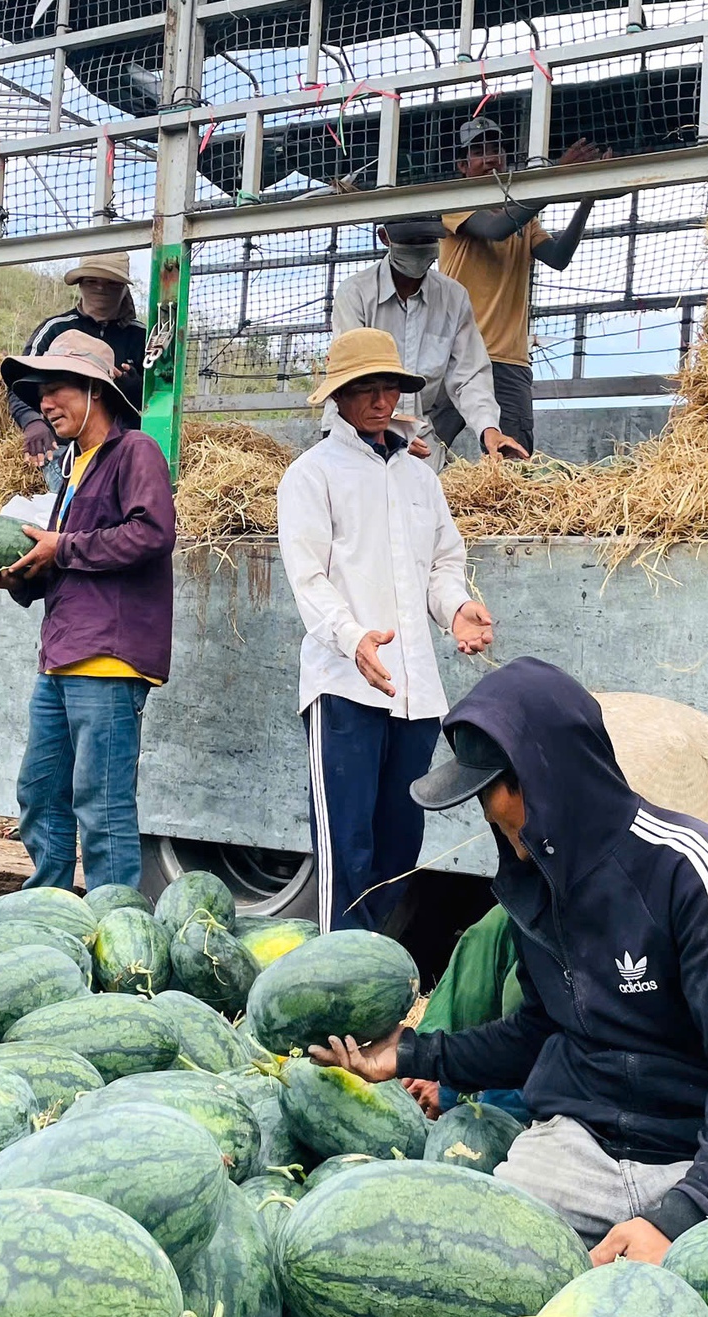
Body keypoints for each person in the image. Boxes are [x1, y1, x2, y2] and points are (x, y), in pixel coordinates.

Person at [311, 657, 708, 1265]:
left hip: (702, 1161)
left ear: (544, 779)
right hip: (577, 1151)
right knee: (467, 1269)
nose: (488, 817)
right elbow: (539, 1032)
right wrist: (410, 1053)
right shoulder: (538, 884)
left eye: (490, 794)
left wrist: (684, 1213)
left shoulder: (696, 874)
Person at [277, 327, 496, 933]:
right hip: (344, 686)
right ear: (338, 397)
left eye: (390, 388)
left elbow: (442, 563)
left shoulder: (419, 477)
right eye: (365, 388)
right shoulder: (311, 475)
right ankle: (337, 969)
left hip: (414, 690)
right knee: (347, 845)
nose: (380, 401)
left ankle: (365, 960)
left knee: (400, 846)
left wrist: (456, 608)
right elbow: (308, 579)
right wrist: (353, 637)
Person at [0, 330, 175, 892]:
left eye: (56, 388)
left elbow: (152, 534)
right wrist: (14, 578)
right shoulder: (68, 469)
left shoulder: (135, 451)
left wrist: (60, 547)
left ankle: (116, 917)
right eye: (39, 394)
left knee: (101, 803)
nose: (44, 403)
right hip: (60, 654)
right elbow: (63, 565)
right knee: (39, 792)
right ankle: (49, 906)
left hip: (108, 657)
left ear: (95, 389)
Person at [435, 117, 608, 455]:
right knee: (426, 448)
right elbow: (496, 229)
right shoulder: (457, 202)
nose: (490, 158)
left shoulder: (524, 218)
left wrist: (587, 199)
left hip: (510, 359)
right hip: (456, 355)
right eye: (478, 152)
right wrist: (554, 178)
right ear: (462, 165)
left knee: (513, 462)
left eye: (496, 149)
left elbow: (557, 257)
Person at [330, 219, 529, 467]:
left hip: (420, 436)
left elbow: (469, 374)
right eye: (410, 241)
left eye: (427, 240)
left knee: (426, 487)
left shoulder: (452, 297)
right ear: (384, 237)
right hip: (358, 430)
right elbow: (353, 373)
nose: (419, 248)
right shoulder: (355, 293)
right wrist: (392, 426)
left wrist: (488, 428)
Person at [11, 253, 148, 493]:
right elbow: (20, 383)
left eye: (111, 283)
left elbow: (161, 395)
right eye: (92, 281)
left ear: (123, 288)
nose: (100, 288)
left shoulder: (142, 338)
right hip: (64, 447)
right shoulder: (55, 330)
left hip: (122, 445)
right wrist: (32, 421)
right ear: (81, 284)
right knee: (75, 489)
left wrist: (136, 390)